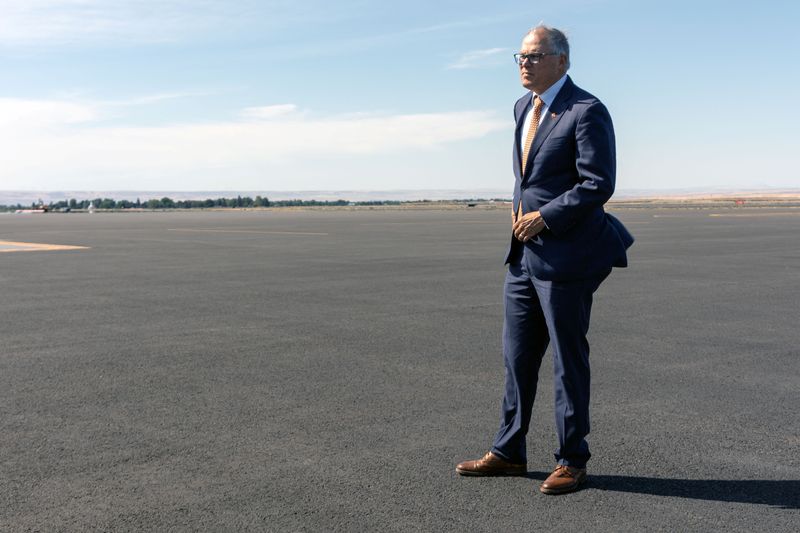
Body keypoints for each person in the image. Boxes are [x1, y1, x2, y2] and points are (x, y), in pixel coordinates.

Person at [456, 25, 634, 495]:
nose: (524, 63)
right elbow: (530, 176)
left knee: (567, 360)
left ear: (562, 61)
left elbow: (598, 183)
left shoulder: (587, 110)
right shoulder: (522, 108)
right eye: (521, 56)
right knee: (516, 358)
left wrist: (545, 217)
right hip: (522, 258)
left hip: (566, 258)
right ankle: (509, 451)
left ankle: (572, 459)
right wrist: (519, 211)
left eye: (535, 56)